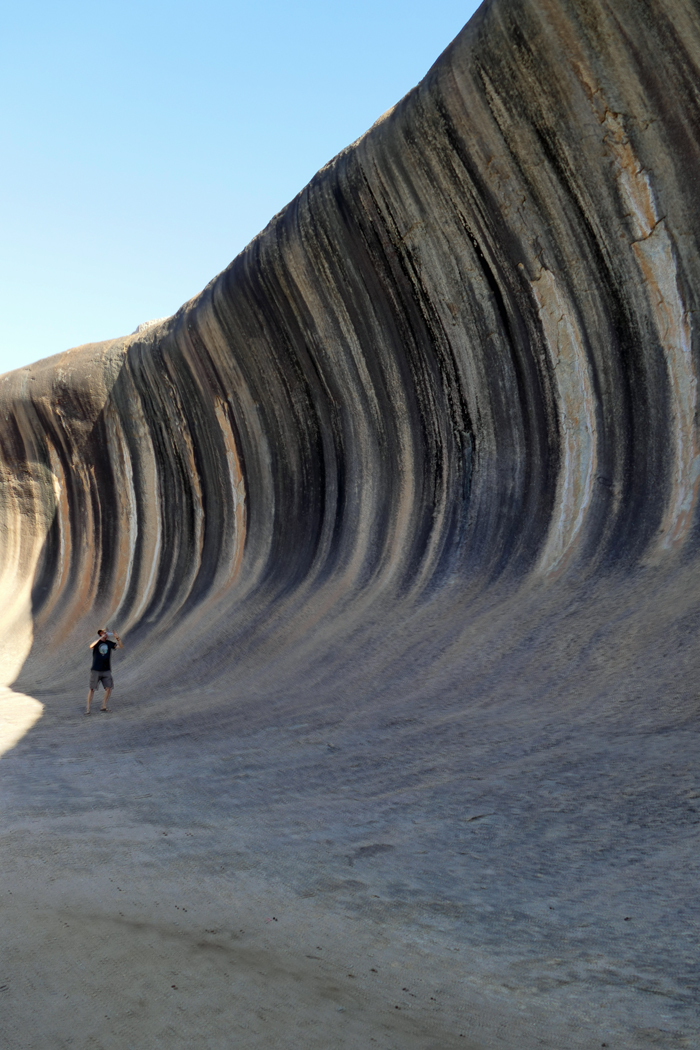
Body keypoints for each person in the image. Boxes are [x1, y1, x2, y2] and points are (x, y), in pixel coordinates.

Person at [86, 628, 123, 714]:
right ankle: (88, 709)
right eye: (104, 633)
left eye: (106, 632)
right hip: (96, 670)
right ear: (101, 634)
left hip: (106, 670)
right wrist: (99, 639)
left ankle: (103, 706)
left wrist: (117, 638)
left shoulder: (109, 643)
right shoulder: (97, 642)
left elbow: (120, 646)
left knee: (109, 688)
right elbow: (91, 646)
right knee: (92, 689)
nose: (106, 634)